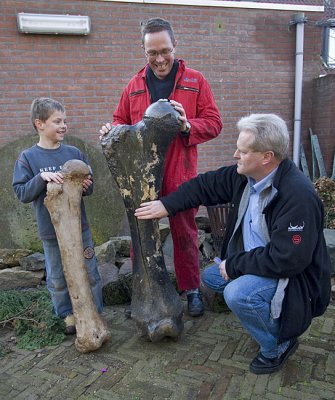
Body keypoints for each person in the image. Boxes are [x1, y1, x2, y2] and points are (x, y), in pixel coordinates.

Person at [134, 113, 331, 374]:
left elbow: (289, 259)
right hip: (260, 262)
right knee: (212, 278)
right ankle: (264, 320)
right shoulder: (245, 177)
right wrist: (166, 205)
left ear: (266, 157)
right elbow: (203, 186)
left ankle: (277, 345)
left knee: (237, 294)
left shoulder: (297, 196)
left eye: (242, 151)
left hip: (294, 278)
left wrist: (236, 265)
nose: (235, 155)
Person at [99, 18, 222, 317]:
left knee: (184, 233)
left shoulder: (195, 81)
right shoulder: (133, 85)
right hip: (143, 177)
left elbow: (215, 123)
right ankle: (143, 292)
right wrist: (111, 130)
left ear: (174, 47)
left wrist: (187, 125)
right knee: (141, 234)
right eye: (152, 52)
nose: (159, 58)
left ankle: (191, 290)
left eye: (164, 50)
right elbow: (120, 121)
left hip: (180, 175)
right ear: (143, 51)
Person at [13, 97, 103, 334]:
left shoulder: (74, 153)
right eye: (57, 121)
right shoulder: (28, 158)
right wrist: (41, 179)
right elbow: (21, 192)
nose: (64, 125)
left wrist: (85, 186)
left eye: (65, 121)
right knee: (56, 278)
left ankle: (95, 313)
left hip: (79, 229)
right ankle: (67, 317)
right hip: (50, 232)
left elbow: (90, 186)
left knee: (90, 271)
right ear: (39, 124)